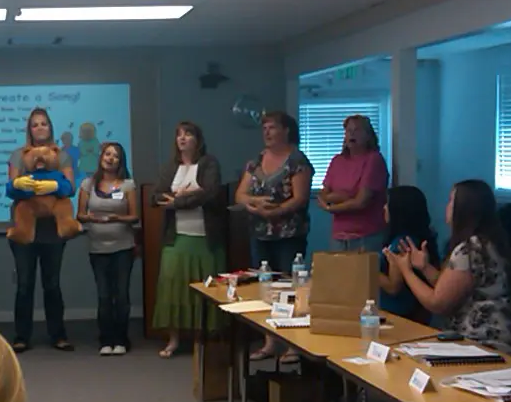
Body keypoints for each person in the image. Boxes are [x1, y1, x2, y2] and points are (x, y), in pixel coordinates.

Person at [384, 179, 511, 354]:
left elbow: (437, 303)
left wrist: (406, 271)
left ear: (464, 209)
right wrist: (424, 267)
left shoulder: (470, 249)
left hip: (482, 342)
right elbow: (451, 286)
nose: (446, 206)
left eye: (450, 201)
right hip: (483, 338)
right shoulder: (484, 243)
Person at [234, 111, 313, 360]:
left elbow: (300, 198)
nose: (266, 132)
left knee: (290, 287)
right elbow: (240, 195)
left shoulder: (298, 160)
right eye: (264, 128)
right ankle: (270, 342)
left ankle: (293, 344)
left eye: (272, 127)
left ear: (286, 130)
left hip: (289, 234)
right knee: (265, 287)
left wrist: (275, 212)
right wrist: (255, 204)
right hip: (259, 233)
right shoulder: (257, 160)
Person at [152, 122, 224, 358]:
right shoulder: (170, 167)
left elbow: (211, 193)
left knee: (204, 289)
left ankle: (200, 339)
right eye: (179, 135)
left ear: (198, 139)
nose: (182, 139)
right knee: (172, 287)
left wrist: (178, 200)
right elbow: (156, 196)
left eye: (188, 134)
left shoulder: (209, 163)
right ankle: (173, 340)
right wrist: (189, 195)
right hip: (177, 237)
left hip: (205, 238)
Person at [6, 107, 76, 353]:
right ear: (29, 129)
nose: (39, 128)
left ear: (50, 127)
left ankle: (58, 335)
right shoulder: (18, 155)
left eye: (43, 123)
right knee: (24, 284)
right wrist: (21, 186)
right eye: (35, 124)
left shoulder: (62, 155)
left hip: (52, 229)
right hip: (25, 229)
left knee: (52, 284)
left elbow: (70, 188)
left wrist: (55, 185)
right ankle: (21, 336)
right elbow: (11, 188)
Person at [76, 142, 138, 356]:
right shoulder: (88, 184)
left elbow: (134, 216)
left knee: (121, 295)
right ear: (101, 156)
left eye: (116, 156)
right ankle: (106, 340)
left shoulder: (128, 185)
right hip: (97, 248)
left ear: (121, 162)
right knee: (104, 295)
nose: (110, 158)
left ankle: (121, 339)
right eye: (108, 154)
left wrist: (117, 218)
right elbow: (80, 214)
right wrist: (91, 218)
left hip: (123, 247)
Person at [318, 115, 389, 251]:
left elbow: (361, 202)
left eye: (357, 130)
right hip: (338, 235)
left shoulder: (374, 160)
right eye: (348, 131)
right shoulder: (337, 160)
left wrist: (332, 207)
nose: (352, 134)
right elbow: (324, 194)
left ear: (368, 136)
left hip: (366, 235)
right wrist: (347, 197)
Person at [379, 186, 439, 321]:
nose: (384, 208)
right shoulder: (409, 237)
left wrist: (366, 266)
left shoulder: (403, 242)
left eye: (388, 204)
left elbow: (393, 286)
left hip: (398, 313)